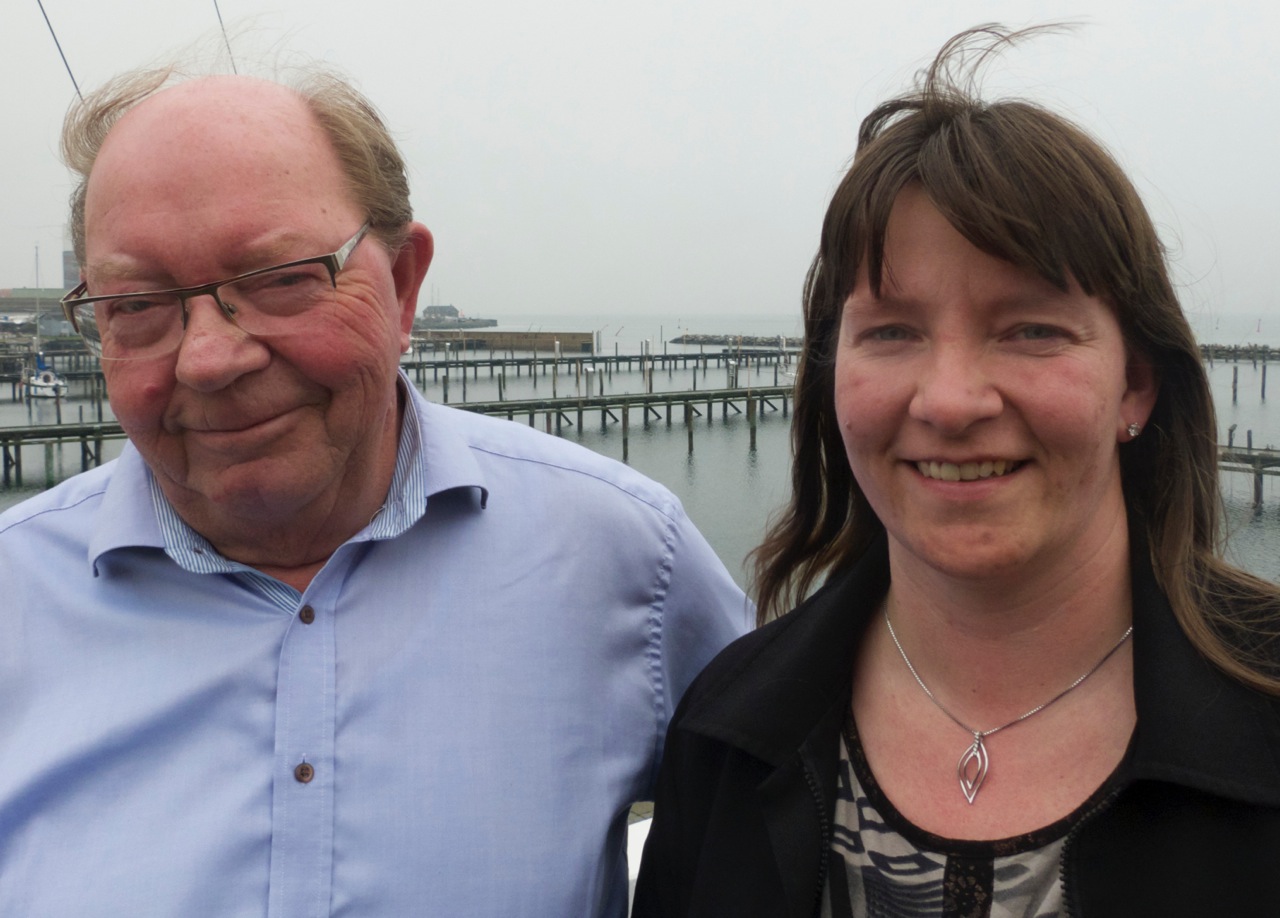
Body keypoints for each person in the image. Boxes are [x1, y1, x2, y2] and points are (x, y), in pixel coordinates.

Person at [0, 63, 749, 915]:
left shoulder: (626, 558)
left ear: (403, 286)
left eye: (282, 278)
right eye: (136, 303)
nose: (208, 358)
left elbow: (804, 817)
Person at [634, 25, 1280, 917]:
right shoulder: (728, 734)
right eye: (892, 331)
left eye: (1030, 329)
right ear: (832, 376)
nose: (949, 400)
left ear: (1135, 383)